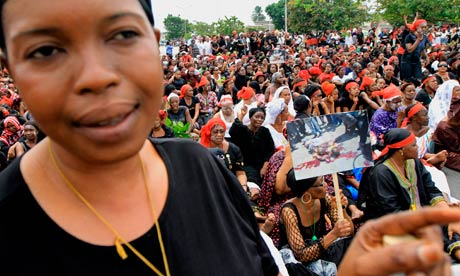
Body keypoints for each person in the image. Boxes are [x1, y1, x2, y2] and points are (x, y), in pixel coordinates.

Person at [0, 1, 280, 275]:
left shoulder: (202, 167)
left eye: (123, 35)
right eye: (45, 51)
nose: (96, 77)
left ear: (153, 44)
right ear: (10, 70)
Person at [338, 207, 460, 276]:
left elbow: (431, 190)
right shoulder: (381, 173)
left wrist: (443, 207)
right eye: (319, 184)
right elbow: (391, 211)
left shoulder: (416, 166)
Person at [279, 170, 353, 275]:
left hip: (320, 250)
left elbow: (347, 234)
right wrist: (333, 234)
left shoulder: (324, 199)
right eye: (321, 183)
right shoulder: (289, 211)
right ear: (307, 191)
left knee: (351, 244)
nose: (326, 185)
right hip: (299, 262)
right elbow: (301, 255)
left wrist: (342, 209)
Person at [230, 107, 275, 186]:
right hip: (244, 166)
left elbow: (270, 150)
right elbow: (233, 131)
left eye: (262, 118)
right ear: (250, 118)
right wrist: (242, 115)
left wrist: (265, 167)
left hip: (261, 166)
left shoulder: (265, 132)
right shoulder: (243, 130)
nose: (259, 119)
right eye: (257, 117)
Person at [200, 118, 248, 190]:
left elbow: (240, 172)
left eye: (222, 132)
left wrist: (243, 187)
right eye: (215, 132)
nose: (219, 135)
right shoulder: (201, 149)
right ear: (209, 133)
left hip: (230, 185)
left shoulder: (233, 149)